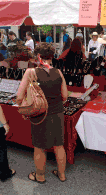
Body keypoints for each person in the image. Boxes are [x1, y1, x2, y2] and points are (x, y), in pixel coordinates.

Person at [16, 43, 68, 184]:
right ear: (51, 57)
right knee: (59, 145)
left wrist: (23, 107)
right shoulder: (58, 72)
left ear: (37, 56)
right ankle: (61, 174)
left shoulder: (30, 73)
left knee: (40, 146)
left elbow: (19, 97)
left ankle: (40, 176)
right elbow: (65, 96)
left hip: (40, 114)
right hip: (57, 113)